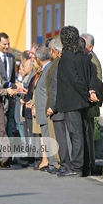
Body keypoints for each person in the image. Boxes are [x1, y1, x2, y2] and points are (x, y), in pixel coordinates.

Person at [56, 26, 100, 177]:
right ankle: (85, 167)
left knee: (76, 134)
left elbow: (74, 79)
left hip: (73, 101)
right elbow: (92, 76)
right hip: (83, 101)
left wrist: (85, 94)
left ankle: (76, 168)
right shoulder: (84, 57)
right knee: (83, 133)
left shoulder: (67, 56)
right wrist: (90, 91)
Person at [80, 33, 103, 176]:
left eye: (83, 44)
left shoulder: (92, 60)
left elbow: (97, 80)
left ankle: (89, 165)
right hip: (87, 100)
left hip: (90, 102)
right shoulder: (86, 57)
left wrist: (92, 92)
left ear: (90, 46)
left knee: (88, 134)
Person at [46, 38, 70, 175]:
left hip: (59, 107)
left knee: (61, 137)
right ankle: (65, 163)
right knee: (63, 137)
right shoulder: (62, 63)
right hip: (63, 106)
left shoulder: (59, 64)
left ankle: (65, 164)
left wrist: (52, 106)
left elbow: (55, 87)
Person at [33, 46, 58, 172]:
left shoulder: (48, 69)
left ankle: (53, 163)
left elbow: (49, 91)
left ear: (37, 59)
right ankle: (51, 163)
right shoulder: (47, 68)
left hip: (46, 110)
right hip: (43, 110)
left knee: (49, 137)